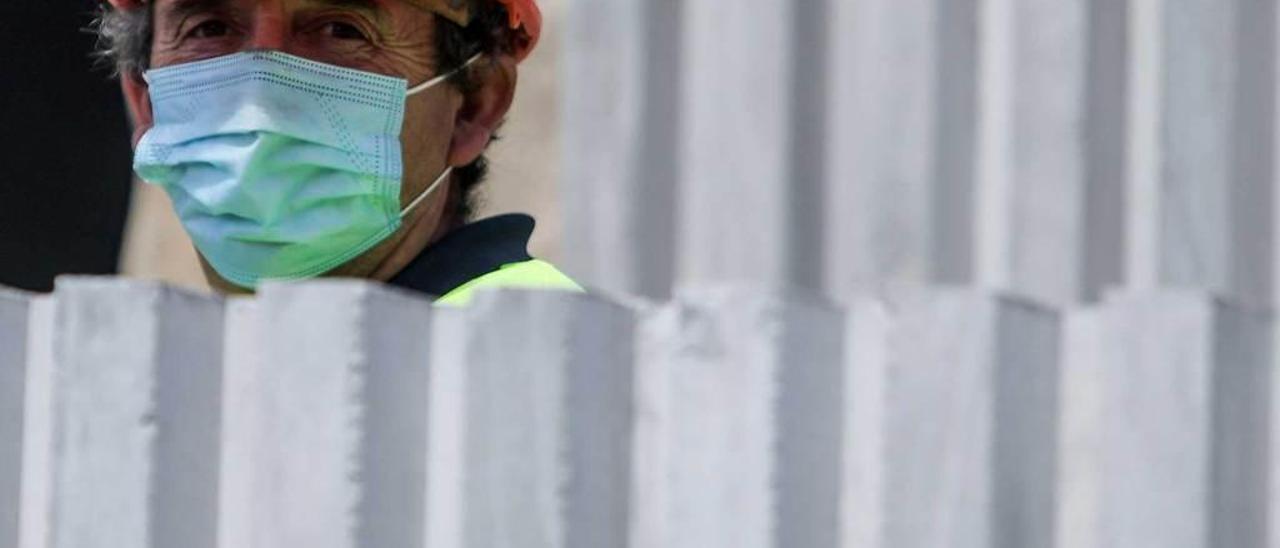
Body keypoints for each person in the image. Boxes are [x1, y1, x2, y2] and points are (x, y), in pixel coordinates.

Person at [96, 0, 581, 304]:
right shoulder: (163, 383)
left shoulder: (537, 357)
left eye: (341, 29)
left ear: (474, 106)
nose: (261, 97)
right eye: (208, 27)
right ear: (145, 100)